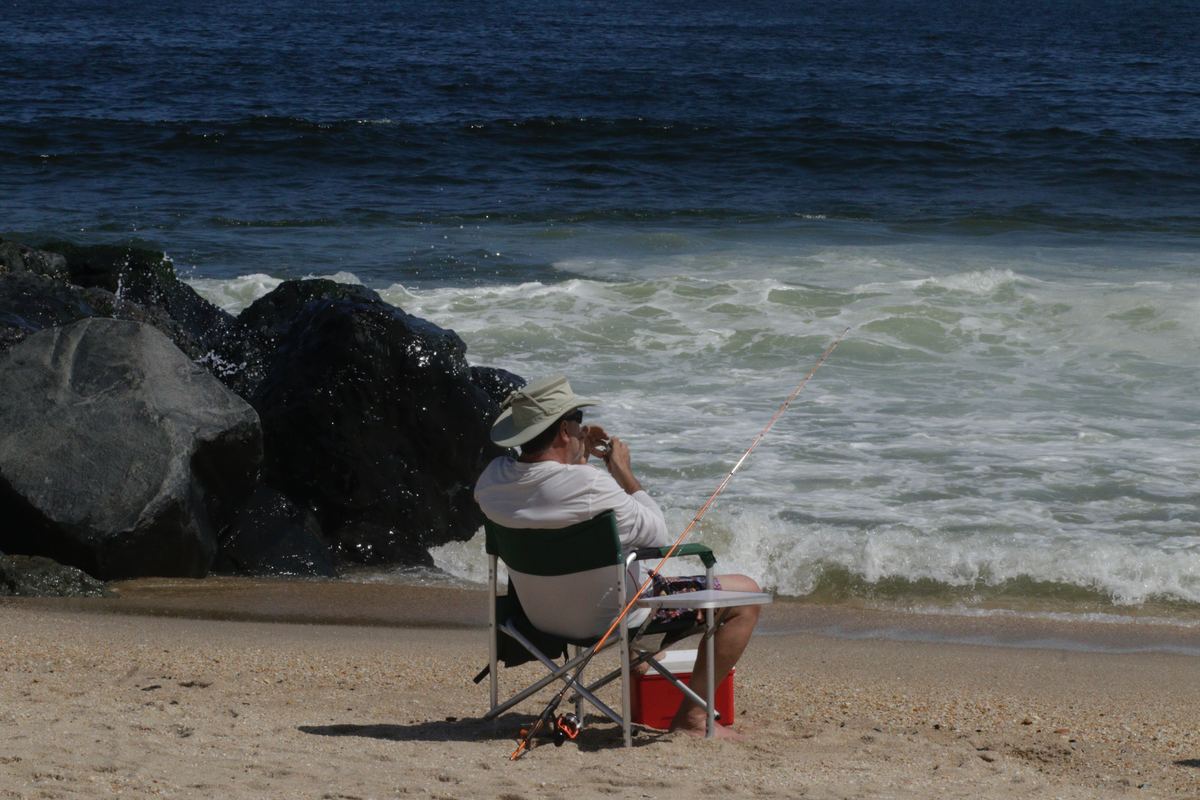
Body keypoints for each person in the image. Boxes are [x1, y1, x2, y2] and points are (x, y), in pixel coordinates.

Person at [474, 374, 761, 737]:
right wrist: (623, 471)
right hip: (612, 619)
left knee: (619, 574)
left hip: (536, 620)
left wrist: (576, 459)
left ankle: (642, 661)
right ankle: (693, 717)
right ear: (564, 430)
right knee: (745, 595)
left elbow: (550, 489)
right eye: (577, 427)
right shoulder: (592, 485)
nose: (581, 434)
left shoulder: (492, 481)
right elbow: (657, 534)